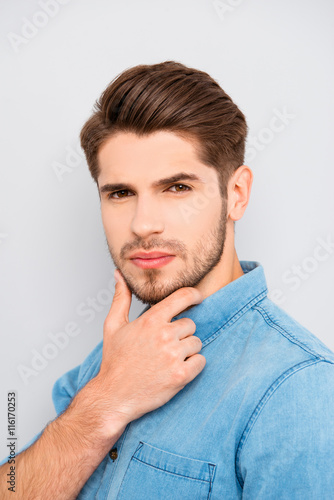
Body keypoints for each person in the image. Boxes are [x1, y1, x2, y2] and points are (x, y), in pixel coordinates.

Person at [1, 61, 334, 499]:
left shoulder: (298, 388)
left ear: (236, 194)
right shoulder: (110, 359)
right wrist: (105, 400)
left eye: (177, 187)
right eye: (120, 193)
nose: (142, 225)